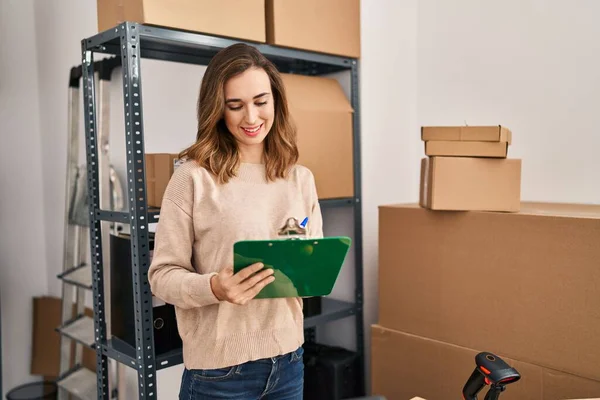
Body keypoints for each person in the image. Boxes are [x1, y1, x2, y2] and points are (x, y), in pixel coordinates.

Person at [147, 43, 323, 400]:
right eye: (235, 105)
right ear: (218, 110)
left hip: (289, 361)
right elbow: (161, 277)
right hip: (219, 375)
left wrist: (312, 270)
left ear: (276, 102)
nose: (251, 118)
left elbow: (312, 266)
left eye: (261, 102)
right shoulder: (193, 179)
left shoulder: (299, 178)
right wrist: (214, 287)